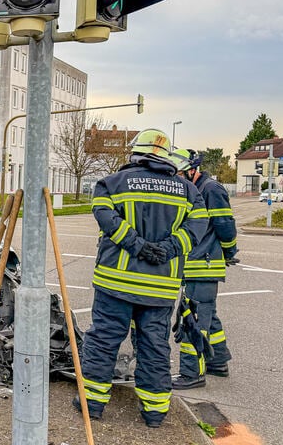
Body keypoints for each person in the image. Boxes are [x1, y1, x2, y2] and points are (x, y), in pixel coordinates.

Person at [76, 129, 208, 428]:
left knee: (104, 341)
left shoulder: (112, 183)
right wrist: (166, 249)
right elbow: (196, 230)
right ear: (166, 156)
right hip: (160, 287)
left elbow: (106, 219)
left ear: (135, 152)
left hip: (115, 282)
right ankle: (154, 411)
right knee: (154, 345)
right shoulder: (189, 192)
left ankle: (92, 404)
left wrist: (137, 246)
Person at [172, 149, 238, 389]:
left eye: (178, 172)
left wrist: (230, 252)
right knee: (208, 315)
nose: (175, 177)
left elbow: (225, 226)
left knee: (193, 318)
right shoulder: (189, 188)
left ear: (192, 170)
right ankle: (217, 361)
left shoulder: (211, 189)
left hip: (204, 264)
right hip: (195, 264)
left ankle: (192, 374)